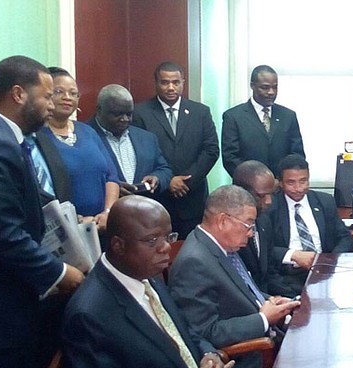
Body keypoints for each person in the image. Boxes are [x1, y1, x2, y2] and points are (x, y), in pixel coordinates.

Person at [0, 55, 84, 368]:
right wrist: (58, 271)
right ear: (19, 94)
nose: (53, 105)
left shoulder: (7, 139)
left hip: (15, 302)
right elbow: (4, 235)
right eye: (48, 95)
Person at [62, 195, 234, 368]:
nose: (166, 247)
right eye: (152, 240)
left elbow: (184, 331)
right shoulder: (88, 315)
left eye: (168, 236)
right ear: (118, 245)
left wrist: (211, 358)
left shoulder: (145, 275)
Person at [168, 185, 300, 368]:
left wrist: (270, 301)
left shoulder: (220, 246)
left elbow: (241, 292)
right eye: (248, 225)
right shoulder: (194, 262)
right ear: (222, 221)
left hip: (272, 341)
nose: (251, 233)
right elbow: (204, 332)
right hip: (248, 364)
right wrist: (263, 319)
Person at [132, 61, 220, 239]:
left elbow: (211, 150)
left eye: (176, 82)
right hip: (158, 200)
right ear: (156, 83)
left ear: (183, 82)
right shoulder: (140, 113)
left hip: (193, 198)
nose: (170, 87)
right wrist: (168, 181)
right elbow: (139, 153)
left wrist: (187, 181)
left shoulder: (200, 112)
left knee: (194, 251)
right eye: (164, 82)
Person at [37, 67, 119, 230]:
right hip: (62, 229)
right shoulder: (37, 136)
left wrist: (108, 212)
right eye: (59, 91)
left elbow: (111, 176)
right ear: (46, 95)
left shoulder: (87, 131)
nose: (67, 97)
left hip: (102, 226)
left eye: (73, 93)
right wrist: (77, 220)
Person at [267, 154, 353, 294]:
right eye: (291, 182)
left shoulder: (325, 201)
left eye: (303, 181)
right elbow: (265, 249)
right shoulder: (271, 207)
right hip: (289, 276)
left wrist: (329, 261)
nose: (298, 188)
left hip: (326, 271)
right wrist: (292, 254)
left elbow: (345, 238)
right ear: (281, 183)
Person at [88, 84, 172, 197]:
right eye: (117, 114)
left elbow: (164, 169)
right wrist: (111, 189)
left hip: (143, 209)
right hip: (105, 211)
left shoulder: (147, 138)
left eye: (129, 114)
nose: (124, 119)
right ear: (99, 110)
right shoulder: (84, 137)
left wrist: (157, 178)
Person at [221, 65, 305, 177]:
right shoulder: (233, 116)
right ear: (252, 86)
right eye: (265, 87)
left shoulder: (288, 116)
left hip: (281, 186)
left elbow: (297, 155)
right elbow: (230, 158)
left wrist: (282, 181)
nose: (271, 92)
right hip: (248, 187)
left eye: (275, 87)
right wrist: (257, 181)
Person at [233, 160, 296, 297]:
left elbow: (269, 272)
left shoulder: (263, 221)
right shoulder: (231, 230)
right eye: (261, 196)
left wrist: (294, 299)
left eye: (271, 194)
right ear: (241, 192)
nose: (269, 201)